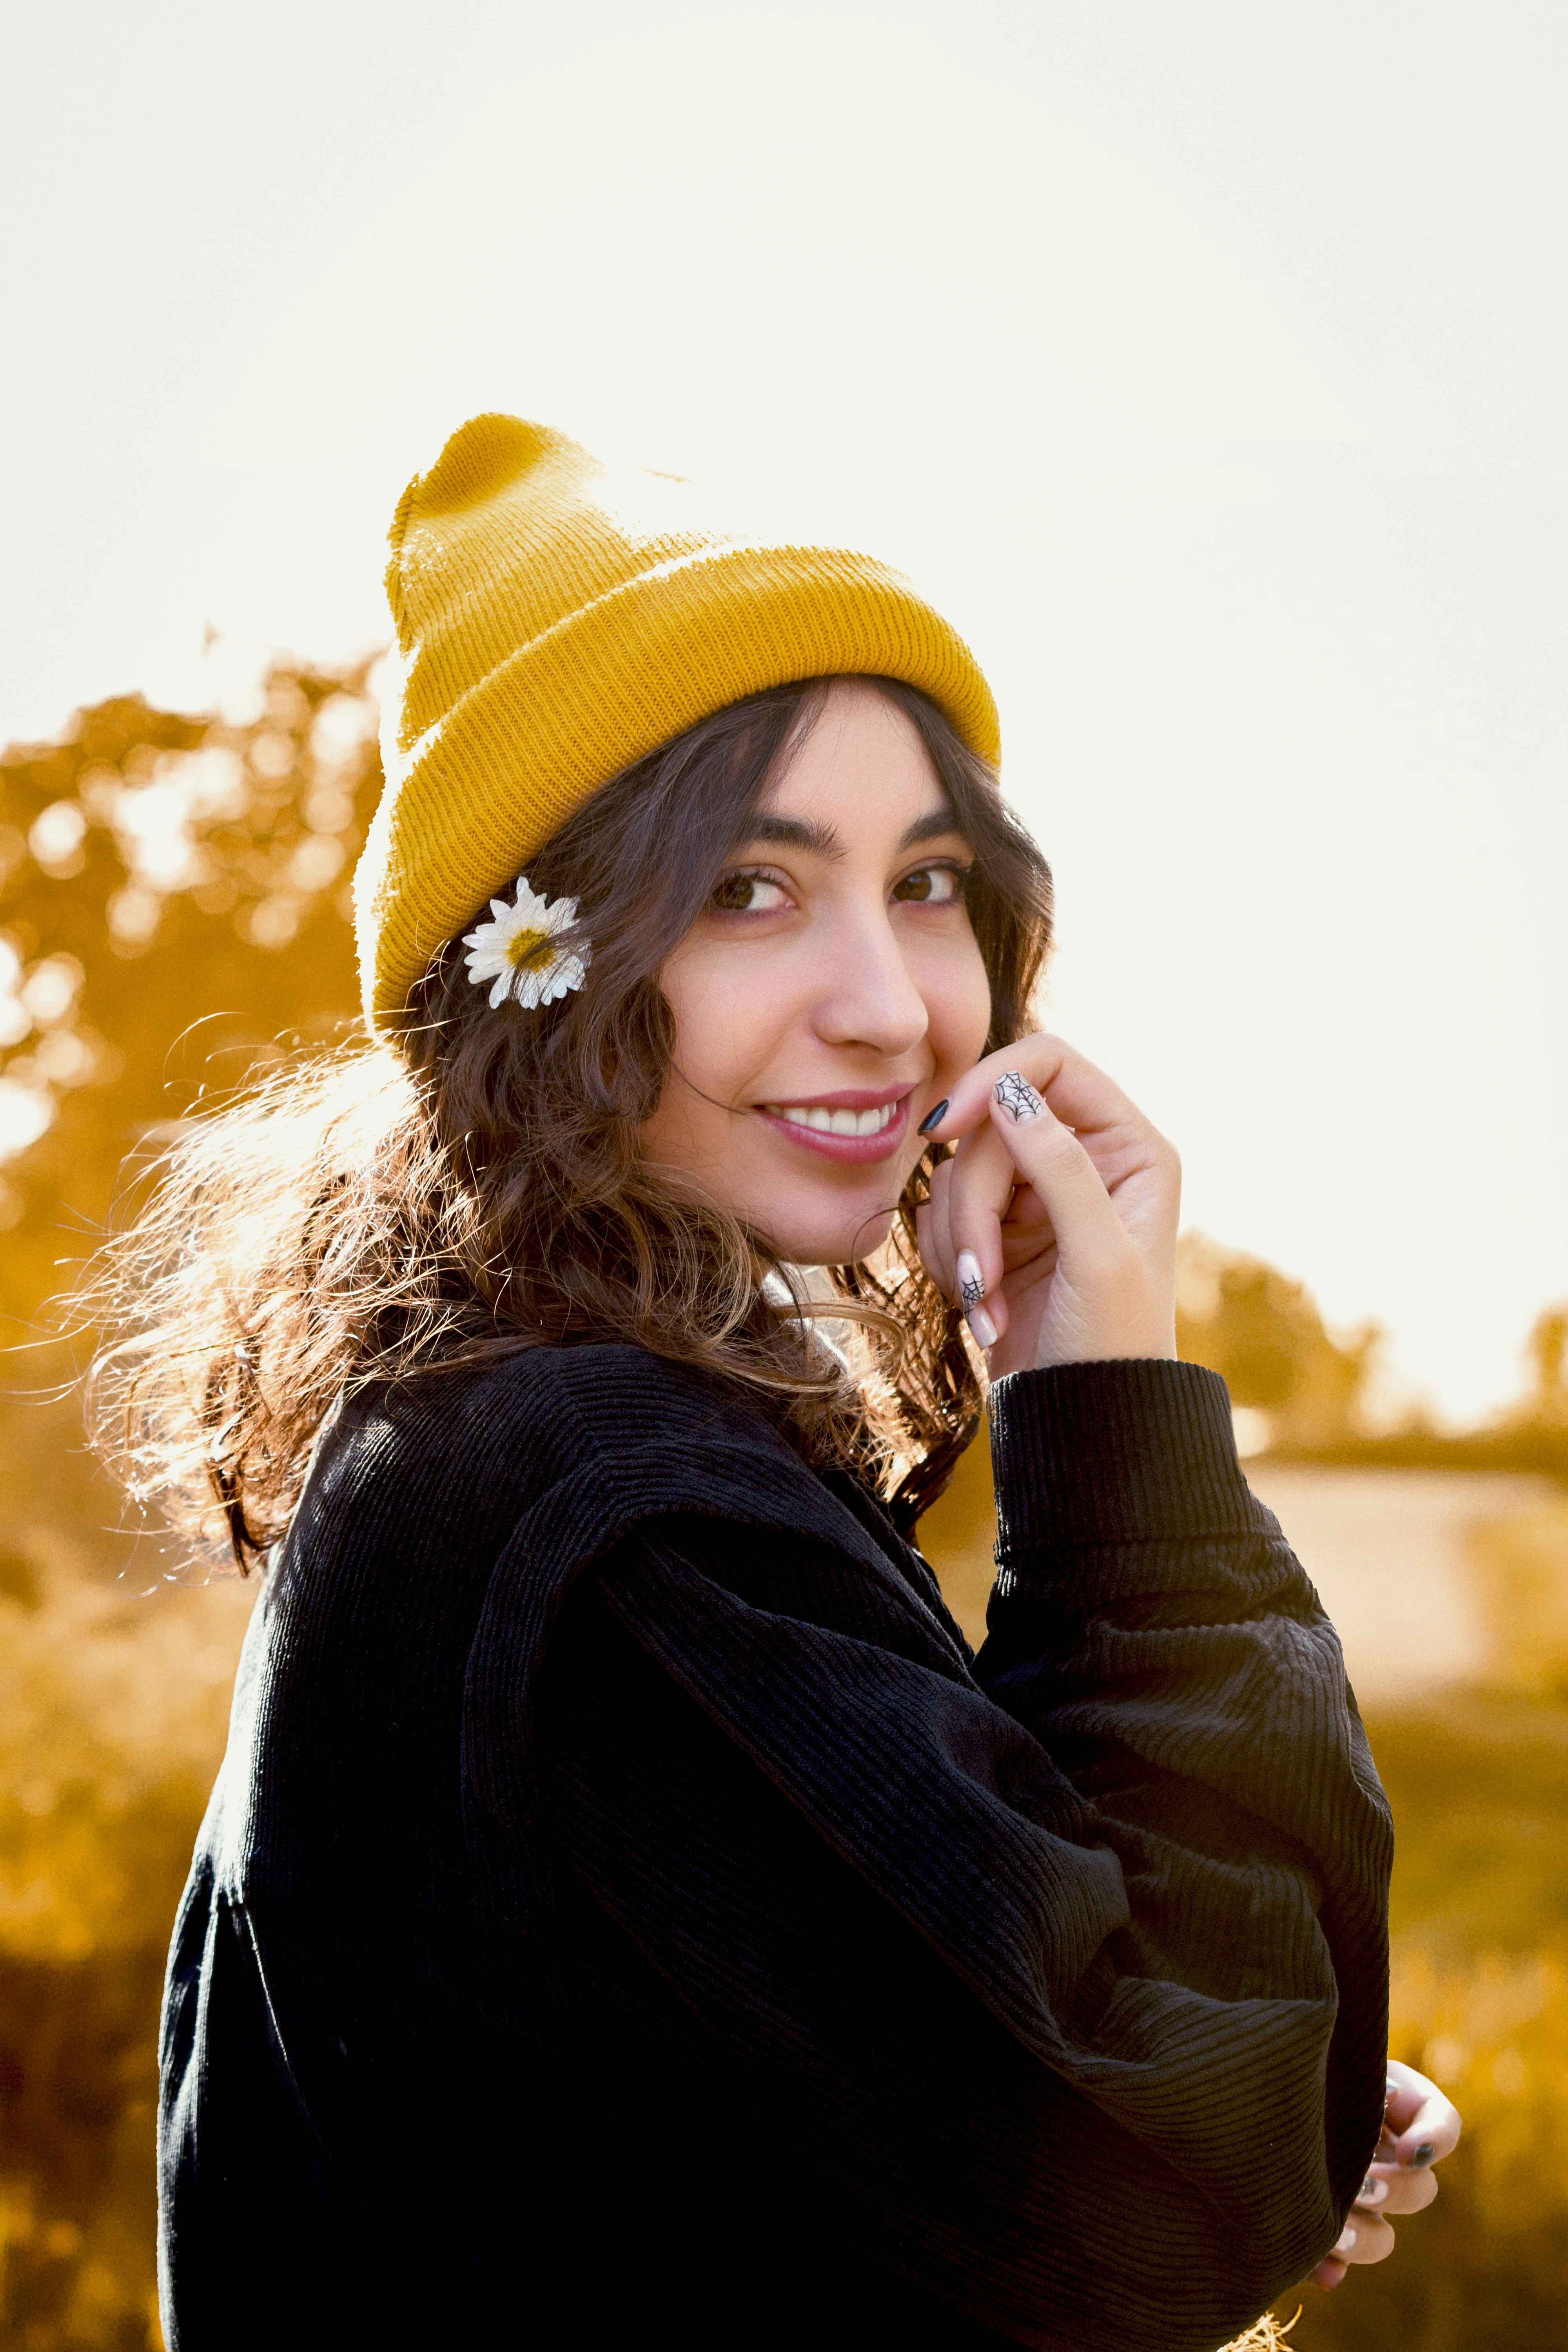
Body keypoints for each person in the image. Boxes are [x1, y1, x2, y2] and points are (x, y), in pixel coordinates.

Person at [92, 416, 1458, 2350]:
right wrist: (1117, 1437)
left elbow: (982, 2112)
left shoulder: (474, 1429)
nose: (891, 1004)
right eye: (748, 887)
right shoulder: (605, 1514)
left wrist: (1182, 2100)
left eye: (925, 883)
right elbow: (1171, 2173)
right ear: (537, 965)